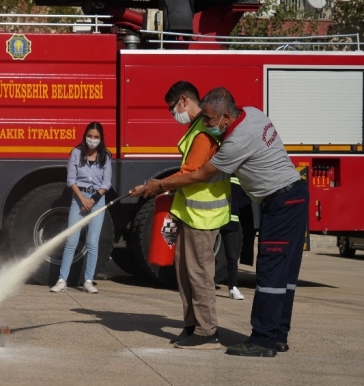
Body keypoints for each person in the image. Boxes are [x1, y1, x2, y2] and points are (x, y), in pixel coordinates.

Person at [135, 87, 309, 357]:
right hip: (293, 196)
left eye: (209, 119)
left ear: (226, 117)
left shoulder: (236, 142)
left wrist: (158, 184)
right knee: (284, 274)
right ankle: (278, 336)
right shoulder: (253, 114)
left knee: (271, 271)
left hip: (281, 202)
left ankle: (263, 340)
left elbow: (199, 174)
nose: (205, 124)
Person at [131, 82, 230, 350]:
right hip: (190, 213)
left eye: (173, 108)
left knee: (198, 274)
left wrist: (156, 185)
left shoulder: (203, 134)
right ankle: (192, 326)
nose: (173, 114)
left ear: (184, 101)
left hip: (203, 217)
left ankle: (207, 332)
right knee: (185, 273)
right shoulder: (197, 129)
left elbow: (190, 173)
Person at [50, 121, 112, 294]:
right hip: (79, 199)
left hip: (97, 200)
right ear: (85, 136)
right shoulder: (76, 153)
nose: (93, 140)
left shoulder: (106, 156)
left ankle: (88, 280)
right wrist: (83, 198)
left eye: (96, 137)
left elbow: (106, 183)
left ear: (101, 139)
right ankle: (62, 280)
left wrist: (93, 199)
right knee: (72, 240)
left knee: (93, 243)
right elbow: (71, 180)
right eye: (90, 136)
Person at [221, 176, 252, 300]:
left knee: (209, 255)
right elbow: (248, 216)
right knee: (231, 257)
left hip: (218, 222)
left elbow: (247, 214)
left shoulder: (224, 178)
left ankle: (232, 287)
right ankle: (232, 287)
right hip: (225, 223)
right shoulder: (239, 180)